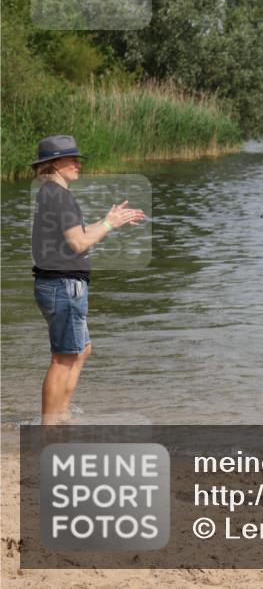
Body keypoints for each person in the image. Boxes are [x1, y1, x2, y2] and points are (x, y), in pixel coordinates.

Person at [30, 135, 145, 425]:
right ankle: (49, 428)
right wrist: (108, 224)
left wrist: (110, 222)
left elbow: (75, 235)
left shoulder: (50, 193)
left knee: (81, 351)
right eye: (73, 159)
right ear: (55, 163)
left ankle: (62, 416)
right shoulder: (60, 196)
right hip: (63, 286)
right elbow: (79, 243)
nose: (78, 164)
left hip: (60, 284)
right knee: (63, 358)